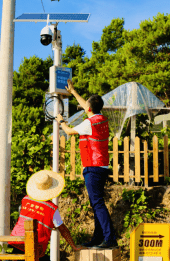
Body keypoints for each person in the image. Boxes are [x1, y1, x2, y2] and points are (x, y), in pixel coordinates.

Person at [55, 79, 118, 249]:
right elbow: (87, 107)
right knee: (96, 203)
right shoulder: (101, 119)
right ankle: (98, 238)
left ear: (89, 108)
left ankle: (109, 238)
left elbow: (68, 131)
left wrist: (61, 121)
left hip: (92, 167)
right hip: (102, 166)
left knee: (97, 203)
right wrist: (73, 92)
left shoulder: (88, 124)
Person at [9, 170, 83, 260]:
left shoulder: (25, 200)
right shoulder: (52, 209)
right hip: (35, 248)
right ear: (52, 189)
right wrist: (74, 246)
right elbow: (63, 229)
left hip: (16, 242)